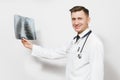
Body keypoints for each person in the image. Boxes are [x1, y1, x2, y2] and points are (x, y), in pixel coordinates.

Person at [21, 6, 104, 80]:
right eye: (73, 19)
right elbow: (53, 54)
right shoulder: (74, 41)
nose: (76, 23)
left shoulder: (95, 43)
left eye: (80, 18)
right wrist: (31, 46)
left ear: (88, 20)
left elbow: (97, 76)